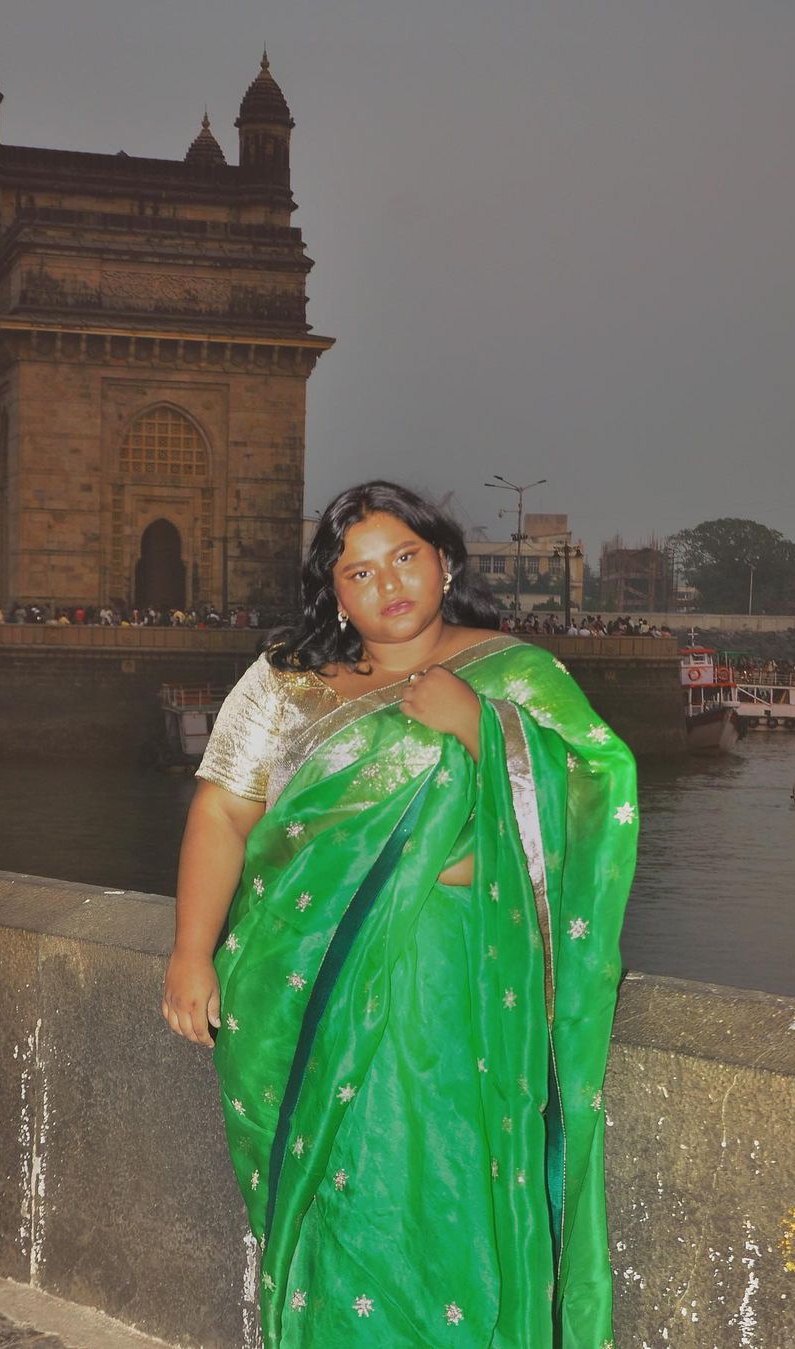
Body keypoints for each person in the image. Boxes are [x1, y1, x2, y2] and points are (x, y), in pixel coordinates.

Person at [161, 480, 638, 1347]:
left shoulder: (515, 673)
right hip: (297, 988)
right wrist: (191, 951)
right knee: (337, 1201)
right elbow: (223, 811)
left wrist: (479, 724)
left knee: (440, 1188)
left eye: (405, 557)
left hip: (452, 999)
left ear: (444, 562)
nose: (389, 583)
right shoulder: (284, 681)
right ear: (334, 594)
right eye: (360, 571)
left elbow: (594, 794)